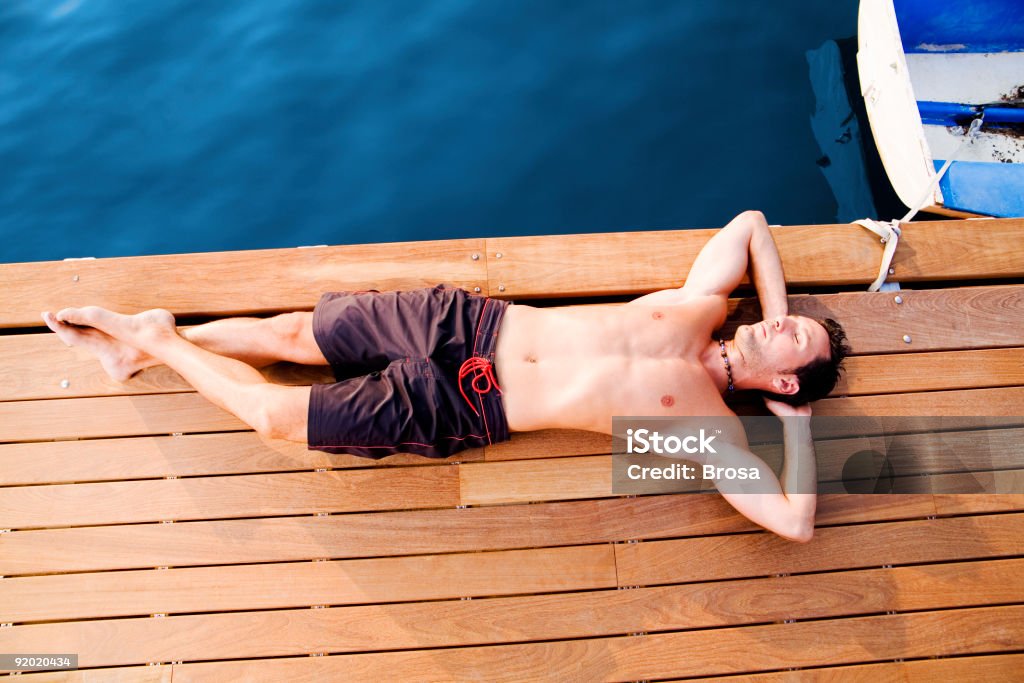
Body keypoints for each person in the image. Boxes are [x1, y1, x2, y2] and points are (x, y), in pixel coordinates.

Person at [42, 210, 848, 542]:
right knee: (293, 332)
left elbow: (795, 522)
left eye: (793, 338)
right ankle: (138, 349)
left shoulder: (708, 428)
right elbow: (751, 225)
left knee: (276, 417)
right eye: (791, 317)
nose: (780, 322)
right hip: (466, 323)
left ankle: (155, 341)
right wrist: (782, 307)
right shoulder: (703, 304)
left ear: (784, 385)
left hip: (463, 400)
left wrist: (801, 430)